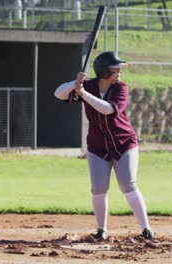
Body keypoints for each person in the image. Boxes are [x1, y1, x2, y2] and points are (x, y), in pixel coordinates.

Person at [54, 51, 155, 241]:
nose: (118, 73)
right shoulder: (89, 85)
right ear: (103, 72)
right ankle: (101, 230)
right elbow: (58, 94)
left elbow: (108, 109)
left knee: (128, 184)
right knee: (98, 188)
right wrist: (74, 84)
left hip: (124, 143)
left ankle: (146, 228)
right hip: (97, 146)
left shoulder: (121, 88)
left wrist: (83, 93)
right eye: (114, 70)